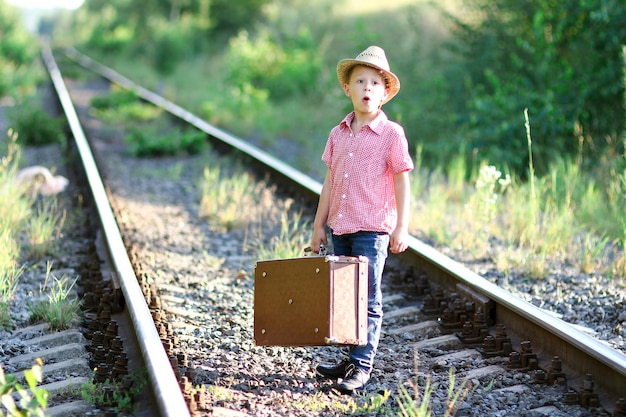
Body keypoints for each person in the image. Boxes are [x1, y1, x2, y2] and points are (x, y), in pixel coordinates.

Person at [310, 45, 414, 393]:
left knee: (367, 298)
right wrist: (317, 225)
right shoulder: (338, 133)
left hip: (372, 230)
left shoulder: (391, 134)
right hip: (340, 226)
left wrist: (402, 225)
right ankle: (349, 357)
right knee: (343, 296)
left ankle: (362, 366)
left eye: (374, 83)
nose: (367, 88)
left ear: (384, 94)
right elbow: (329, 182)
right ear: (347, 89)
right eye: (360, 82)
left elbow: (402, 179)